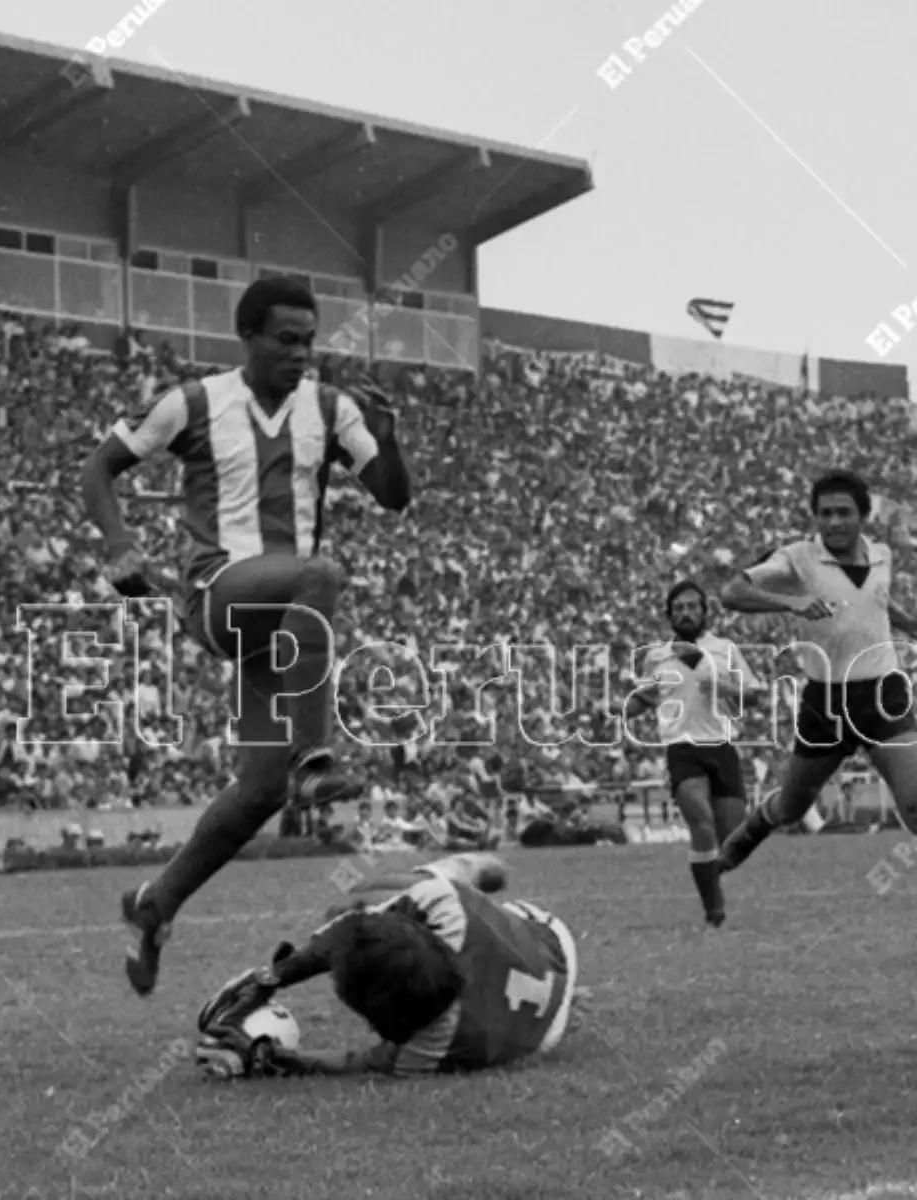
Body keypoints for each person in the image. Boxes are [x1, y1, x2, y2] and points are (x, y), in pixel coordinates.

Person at [83, 276, 412, 998]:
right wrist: (118, 546)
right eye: (286, 339)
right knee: (319, 575)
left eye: (309, 341)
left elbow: (392, 495)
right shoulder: (195, 401)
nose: (300, 353)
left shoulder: (330, 408)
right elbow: (100, 465)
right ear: (249, 336)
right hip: (218, 596)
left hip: (280, 625)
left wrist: (389, 445)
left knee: (261, 790)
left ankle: (154, 905)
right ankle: (319, 756)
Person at [715, 469, 917, 959]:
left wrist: (911, 625)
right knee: (791, 808)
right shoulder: (799, 557)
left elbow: (877, 602)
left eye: (844, 513)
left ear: (863, 517)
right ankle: (746, 837)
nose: (834, 521)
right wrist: (795, 602)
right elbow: (731, 593)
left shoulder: (882, 555)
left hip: (883, 697)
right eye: (825, 513)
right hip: (826, 704)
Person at [192, 853, 577, 1078]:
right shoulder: (448, 909)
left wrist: (274, 1057)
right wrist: (275, 975)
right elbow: (352, 934)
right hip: (555, 950)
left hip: (542, 1018)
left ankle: (478, 868)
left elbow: (357, 1063)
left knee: (353, 905)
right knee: (447, 878)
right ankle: (483, 866)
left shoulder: (430, 1046)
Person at [623, 579, 767, 928]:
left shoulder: (725, 649)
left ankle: (708, 871)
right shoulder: (656, 656)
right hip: (681, 748)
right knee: (701, 824)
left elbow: (753, 696)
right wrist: (619, 711)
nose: (686, 614)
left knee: (729, 837)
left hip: (721, 744)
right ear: (669, 616)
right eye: (679, 609)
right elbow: (645, 698)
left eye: (692, 607)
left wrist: (722, 685)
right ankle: (713, 910)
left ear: (705, 612)